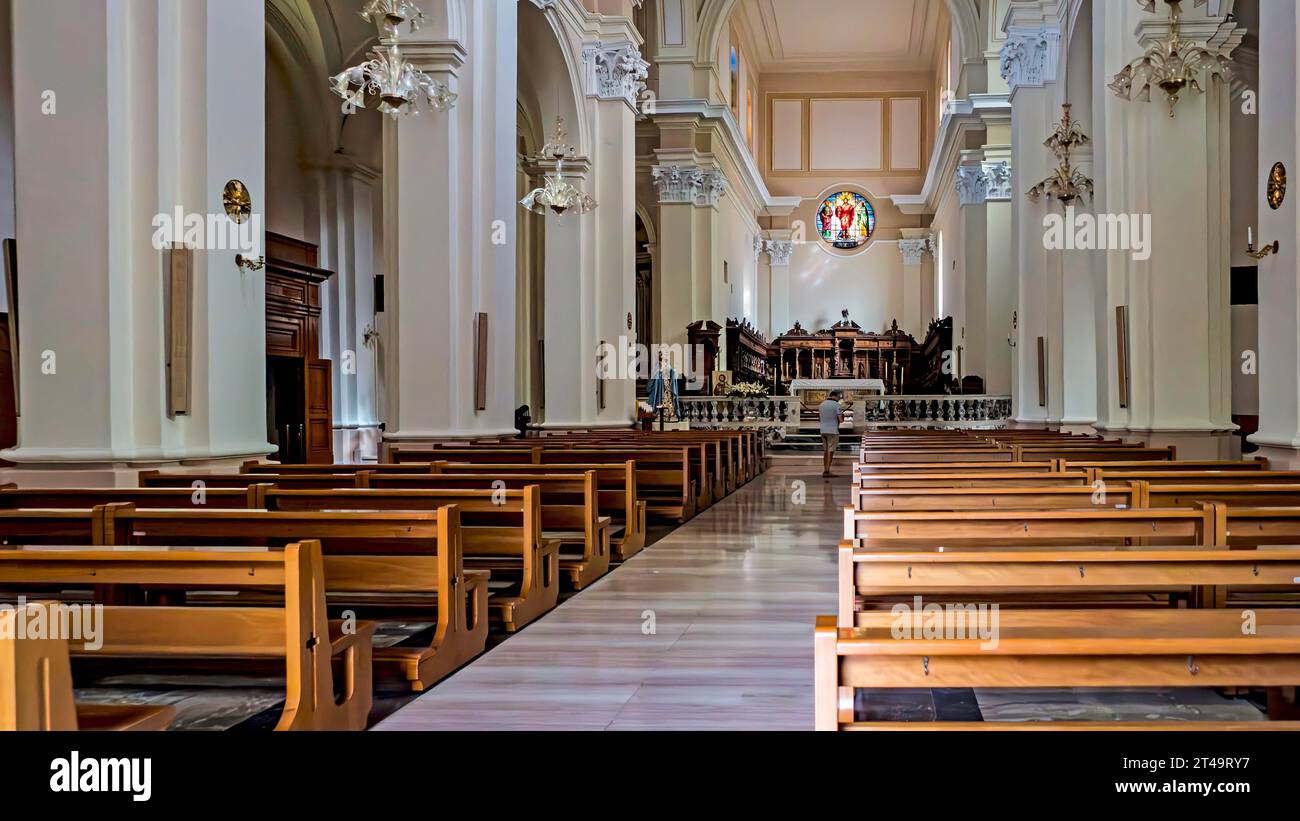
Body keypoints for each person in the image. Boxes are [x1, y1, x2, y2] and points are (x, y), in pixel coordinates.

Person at [819, 391, 845, 477]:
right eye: (839, 397)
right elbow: (841, 420)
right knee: (830, 451)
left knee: (825, 451)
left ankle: (825, 469)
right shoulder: (836, 405)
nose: (839, 399)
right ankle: (827, 471)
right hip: (833, 431)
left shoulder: (822, 404)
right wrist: (843, 416)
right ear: (836, 396)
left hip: (823, 430)